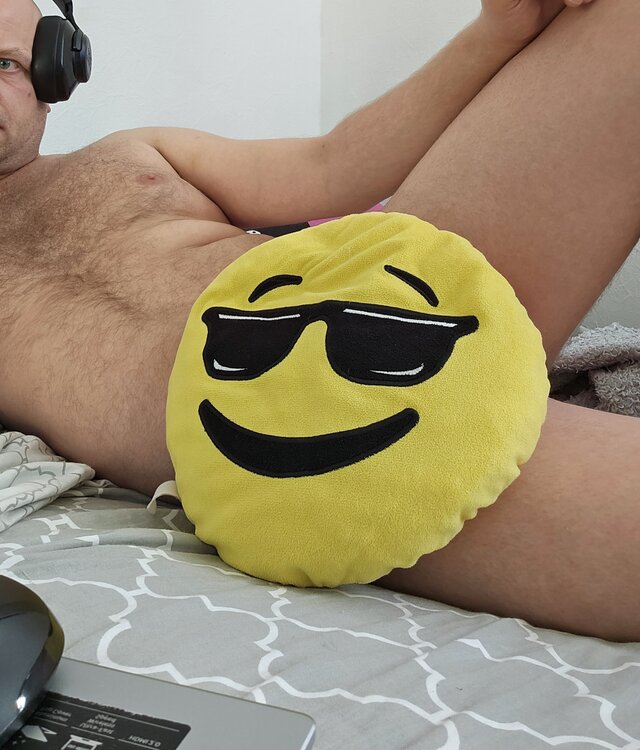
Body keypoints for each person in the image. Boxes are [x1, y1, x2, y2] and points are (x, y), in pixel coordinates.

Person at [1, 0, 638, 641]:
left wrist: (498, 29)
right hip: (295, 445)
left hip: (399, 278)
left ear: (54, 76)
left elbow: (333, 167)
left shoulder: (134, 153)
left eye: (5, 64)